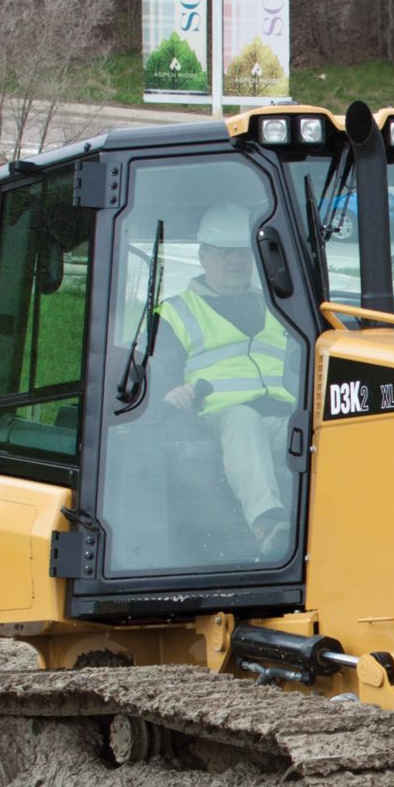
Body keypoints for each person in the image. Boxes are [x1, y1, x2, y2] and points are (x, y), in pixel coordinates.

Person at [153, 204, 304, 558]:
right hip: (217, 419)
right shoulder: (176, 312)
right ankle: (268, 524)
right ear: (203, 256)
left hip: (282, 415)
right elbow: (158, 374)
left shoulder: (278, 307)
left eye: (242, 253)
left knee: (325, 433)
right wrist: (172, 392)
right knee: (243, 418)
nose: (235, 260)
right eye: (224, 253)